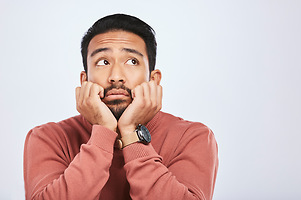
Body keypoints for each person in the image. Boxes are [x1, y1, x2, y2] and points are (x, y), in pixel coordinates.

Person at [23, 14, 218, 200]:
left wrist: (131, 133)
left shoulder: (193, 136)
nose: (116, 76)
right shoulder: (48, 138)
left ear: (153, 79)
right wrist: (104, 132)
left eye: (132, 61)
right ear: (85, 80)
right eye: (103, 62)